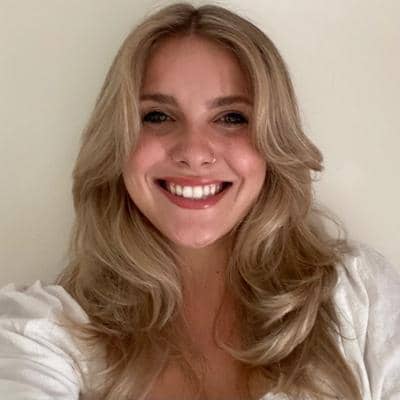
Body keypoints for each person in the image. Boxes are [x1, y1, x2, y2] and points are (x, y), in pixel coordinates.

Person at [0, 3, 399, 400]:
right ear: (118, 140)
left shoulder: (359, 297)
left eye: (231, 118)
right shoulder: (41, 331)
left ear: (273, 140)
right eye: (157, 116)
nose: (194, 152)